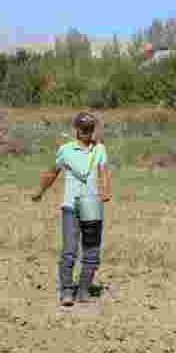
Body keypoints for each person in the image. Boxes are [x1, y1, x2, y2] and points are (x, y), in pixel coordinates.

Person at [31, 111, 111, 307]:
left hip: (92, 205)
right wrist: (40, 191)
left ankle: (83, 290)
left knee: (92, 251)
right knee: (69, 250)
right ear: (76, 129)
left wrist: (106, 191)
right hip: (71, 206)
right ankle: (67, 291)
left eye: (89, 129)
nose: (86, 132)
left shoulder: (99, 149)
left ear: (93, 130)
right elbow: (52, 172)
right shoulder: (65, 150)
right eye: (83, 129)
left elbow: (104, 172)